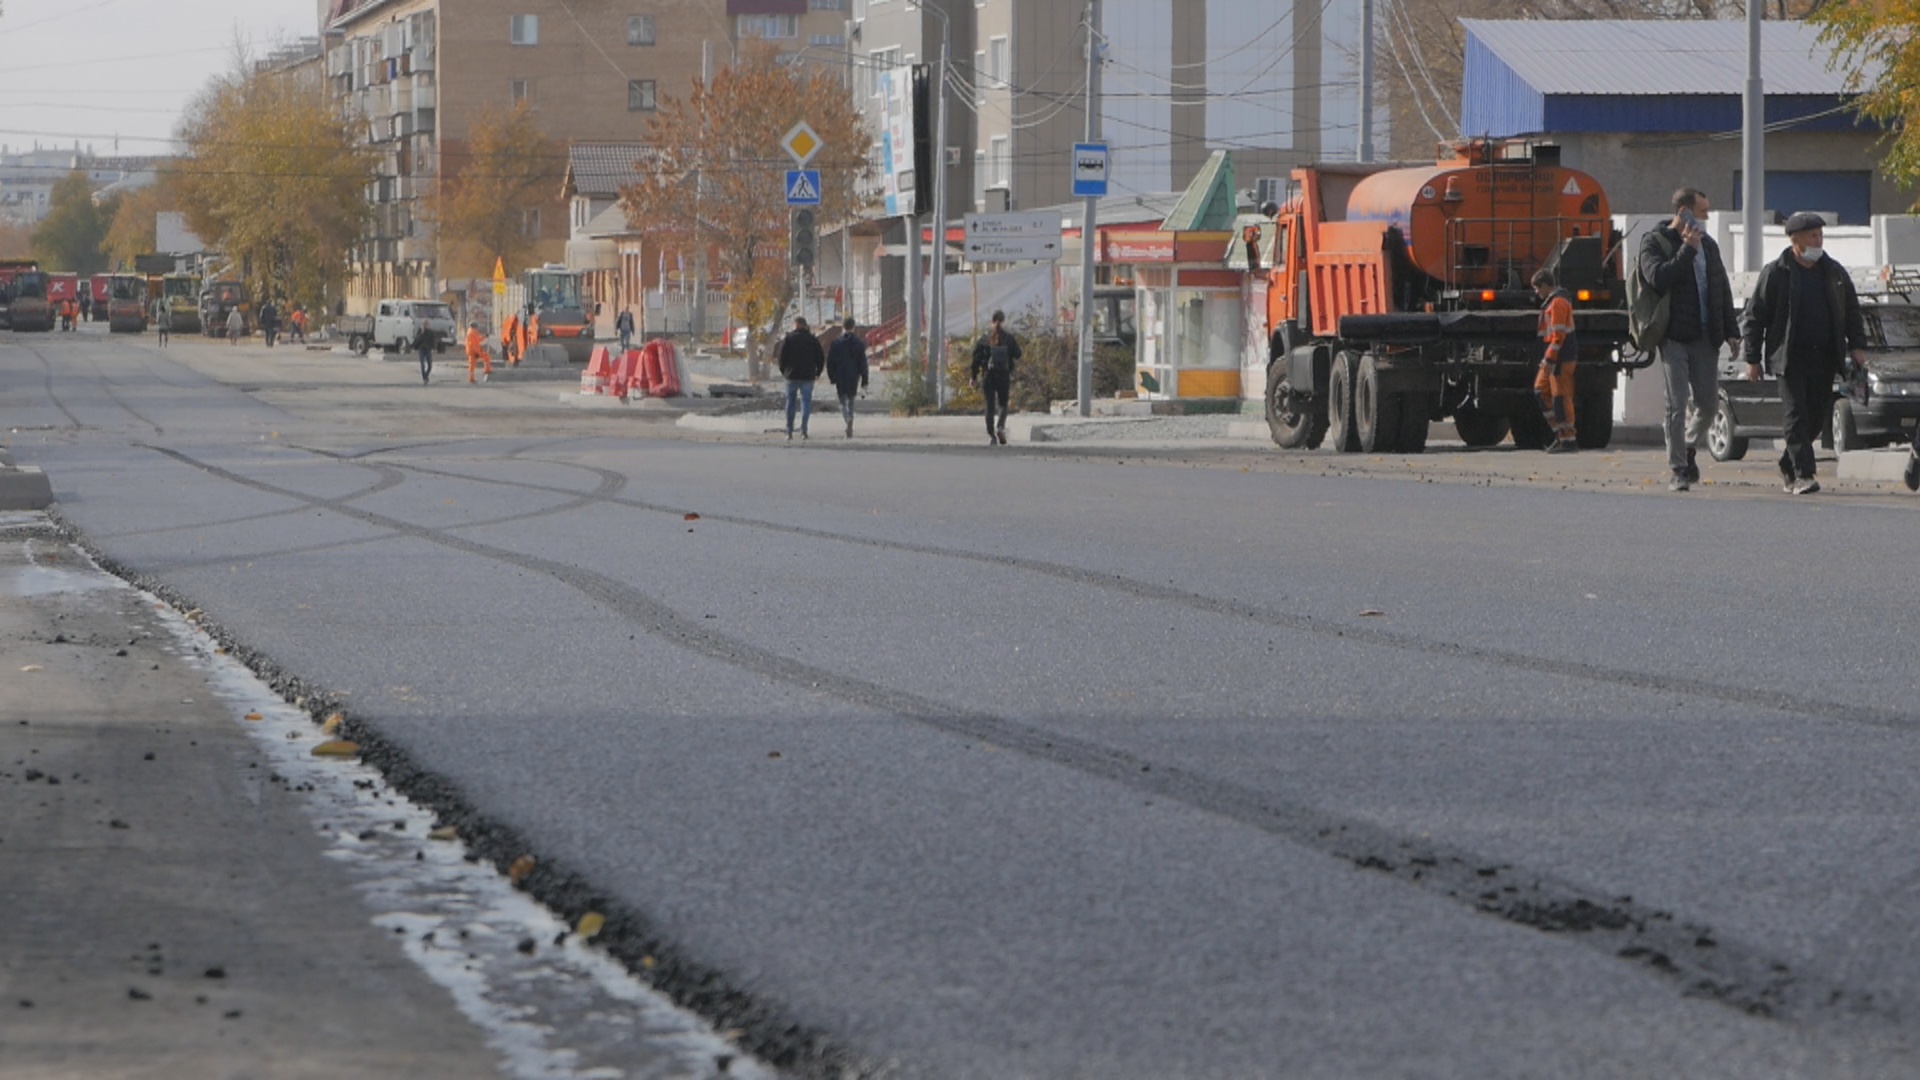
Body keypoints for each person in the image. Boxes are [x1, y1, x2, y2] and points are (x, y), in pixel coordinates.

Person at [1739, 212, 1867, 495]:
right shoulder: (1776, 272)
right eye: (1813, 236)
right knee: (1795, 414)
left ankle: (1789, 461)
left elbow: (1852, 311)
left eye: (1820, 235)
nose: (1818, 241)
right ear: (1795, 240)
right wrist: (1752, 359)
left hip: (1824, 357)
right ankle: (1803, 475)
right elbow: (1755, 316)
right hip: (1789, 358)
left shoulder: (1833, 272)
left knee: (1814, 418)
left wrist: (1857, 345)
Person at [1640, 187, 1741, 492]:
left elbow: (1720, 286)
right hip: (1673, 337)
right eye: (1701, 212)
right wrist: (1686, 249)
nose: (1706, 218)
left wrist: (1731, 330)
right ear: (1682, 212)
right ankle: (1678, 469)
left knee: (1709, 405)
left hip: (1705, 336)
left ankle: (1687, 446)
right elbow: (1657, 278)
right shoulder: (1655, 242)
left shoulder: (1709, 245)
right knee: (1677, 402)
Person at [1532, 269, 1578, 453]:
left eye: (1537, 288)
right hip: (1554, 357)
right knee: (1541, 391)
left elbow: (1558, 336)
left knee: (1560, 397)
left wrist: (1550, 358)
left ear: (1545, 285)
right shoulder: (1552, 303)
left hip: (1559, 358)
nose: (1536, 293)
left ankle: (1568, 439)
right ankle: (1561, 434)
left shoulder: (1557, 303)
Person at [970, 310, 1022, 446]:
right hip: (1003, 376)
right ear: (1003, 321)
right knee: (1003, 404)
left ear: (991, 322)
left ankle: (992, 435)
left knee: (989, 406)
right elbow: (1018, 354)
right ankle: (1000, 427)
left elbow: (976, 359)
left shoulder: (984, 339)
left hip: (988, 376)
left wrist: (973, 376)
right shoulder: (1009, 338)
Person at [776, 315, 825, 440]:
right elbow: (820, 358)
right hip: (808, 376)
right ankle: (804, 430)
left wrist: (784, 372)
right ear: (805, 325)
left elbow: (781, 358)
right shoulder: (812, 340)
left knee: (790, 403)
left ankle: (789, 431)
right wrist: (817, 373)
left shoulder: (789, 339)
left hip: (791, 376)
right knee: (806, 403)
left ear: (795, 325)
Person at [826, 316, 869, 438]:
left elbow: (830, 362)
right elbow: (863, 363)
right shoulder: (859, 343)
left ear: (842, 327)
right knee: (851, 401)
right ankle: (850, 421)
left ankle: (847, 419)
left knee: (842, 402)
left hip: (840, 376)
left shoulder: (836, 342)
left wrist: (832, 377)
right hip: (853, 376)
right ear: (853, 327)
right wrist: (864, 380)